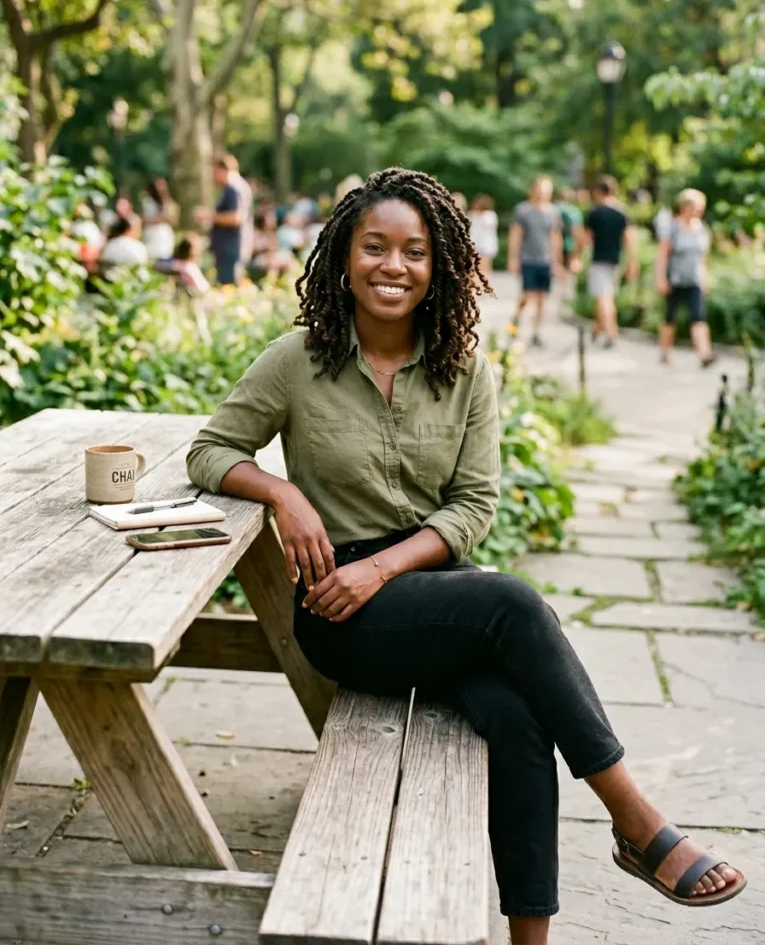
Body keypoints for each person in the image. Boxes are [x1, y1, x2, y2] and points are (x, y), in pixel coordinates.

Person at [186, 167, 745, 945]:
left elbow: (474, 505)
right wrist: (285, 494)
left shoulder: (464, 369)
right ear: (342, 257)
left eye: (413, 251)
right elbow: (209, 451)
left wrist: (385, 566)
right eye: (373, 247)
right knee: (511, 602)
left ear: (438, 265)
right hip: (341, 615)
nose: (392, 266)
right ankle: (635, 820)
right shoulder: (297, 360)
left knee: (518, 719)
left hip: (432, 596)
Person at [656, 188, 716, 368]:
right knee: (670, 317)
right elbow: (663, 254)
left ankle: (705, 354)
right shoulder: (673, 228)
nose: (697, 212)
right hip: (675, 279)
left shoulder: (702, 229)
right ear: (684, 207)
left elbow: (703, 257)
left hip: (694, 279)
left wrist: (704, 278)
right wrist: (661, 278)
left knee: (698, 316)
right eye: (694, 208)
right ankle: (665, 351)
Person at [508, 176, 562, 347]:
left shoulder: (553, 212)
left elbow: (555, 237)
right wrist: (513, 258)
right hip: (528, 259)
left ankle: (536, 333)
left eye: (546, 191)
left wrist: (557, 261)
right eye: (540, 190)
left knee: (541, 299)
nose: (543, 194)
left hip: (545, 260)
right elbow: (516, 235)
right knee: (527, 295)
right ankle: (515, 320)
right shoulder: (522, 210)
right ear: (532, 190)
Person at [585, 176, 638, 348]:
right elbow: (629, 239)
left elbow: (587, 238)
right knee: (606, 296)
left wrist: (575, 257)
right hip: (615, 261)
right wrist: (632, 262)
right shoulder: (622, 212)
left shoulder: (595, 213)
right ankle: (596, 329)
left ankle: (611, 334)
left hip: (599, 260)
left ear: (598, 192)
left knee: (603, 298)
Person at [197, 154, 243, 286]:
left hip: (229, 248)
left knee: (228, 286)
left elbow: (235, 218)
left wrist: (209, 216)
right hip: (226, 247)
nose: (213, 176)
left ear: (223, 170)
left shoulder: (233, 189)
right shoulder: (232, 188)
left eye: (214, 172)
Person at [99, 215, 149, 280]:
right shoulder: (138, 246)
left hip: (109, 281)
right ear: (130, 229)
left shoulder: (109, 245)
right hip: (132, 282)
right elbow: (143, 270)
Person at [141, 178, 177, 264]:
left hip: (164, 237)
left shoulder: (168, 202)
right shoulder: (147, 202)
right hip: (151, 236)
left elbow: (171, 218)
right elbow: (143, 218)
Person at [467, 193, 499, 279]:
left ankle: (485, 281)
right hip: (474, 243)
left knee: (485, 267)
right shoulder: (471, 214)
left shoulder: (490, 215)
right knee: (473, 266)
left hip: (486, 244)